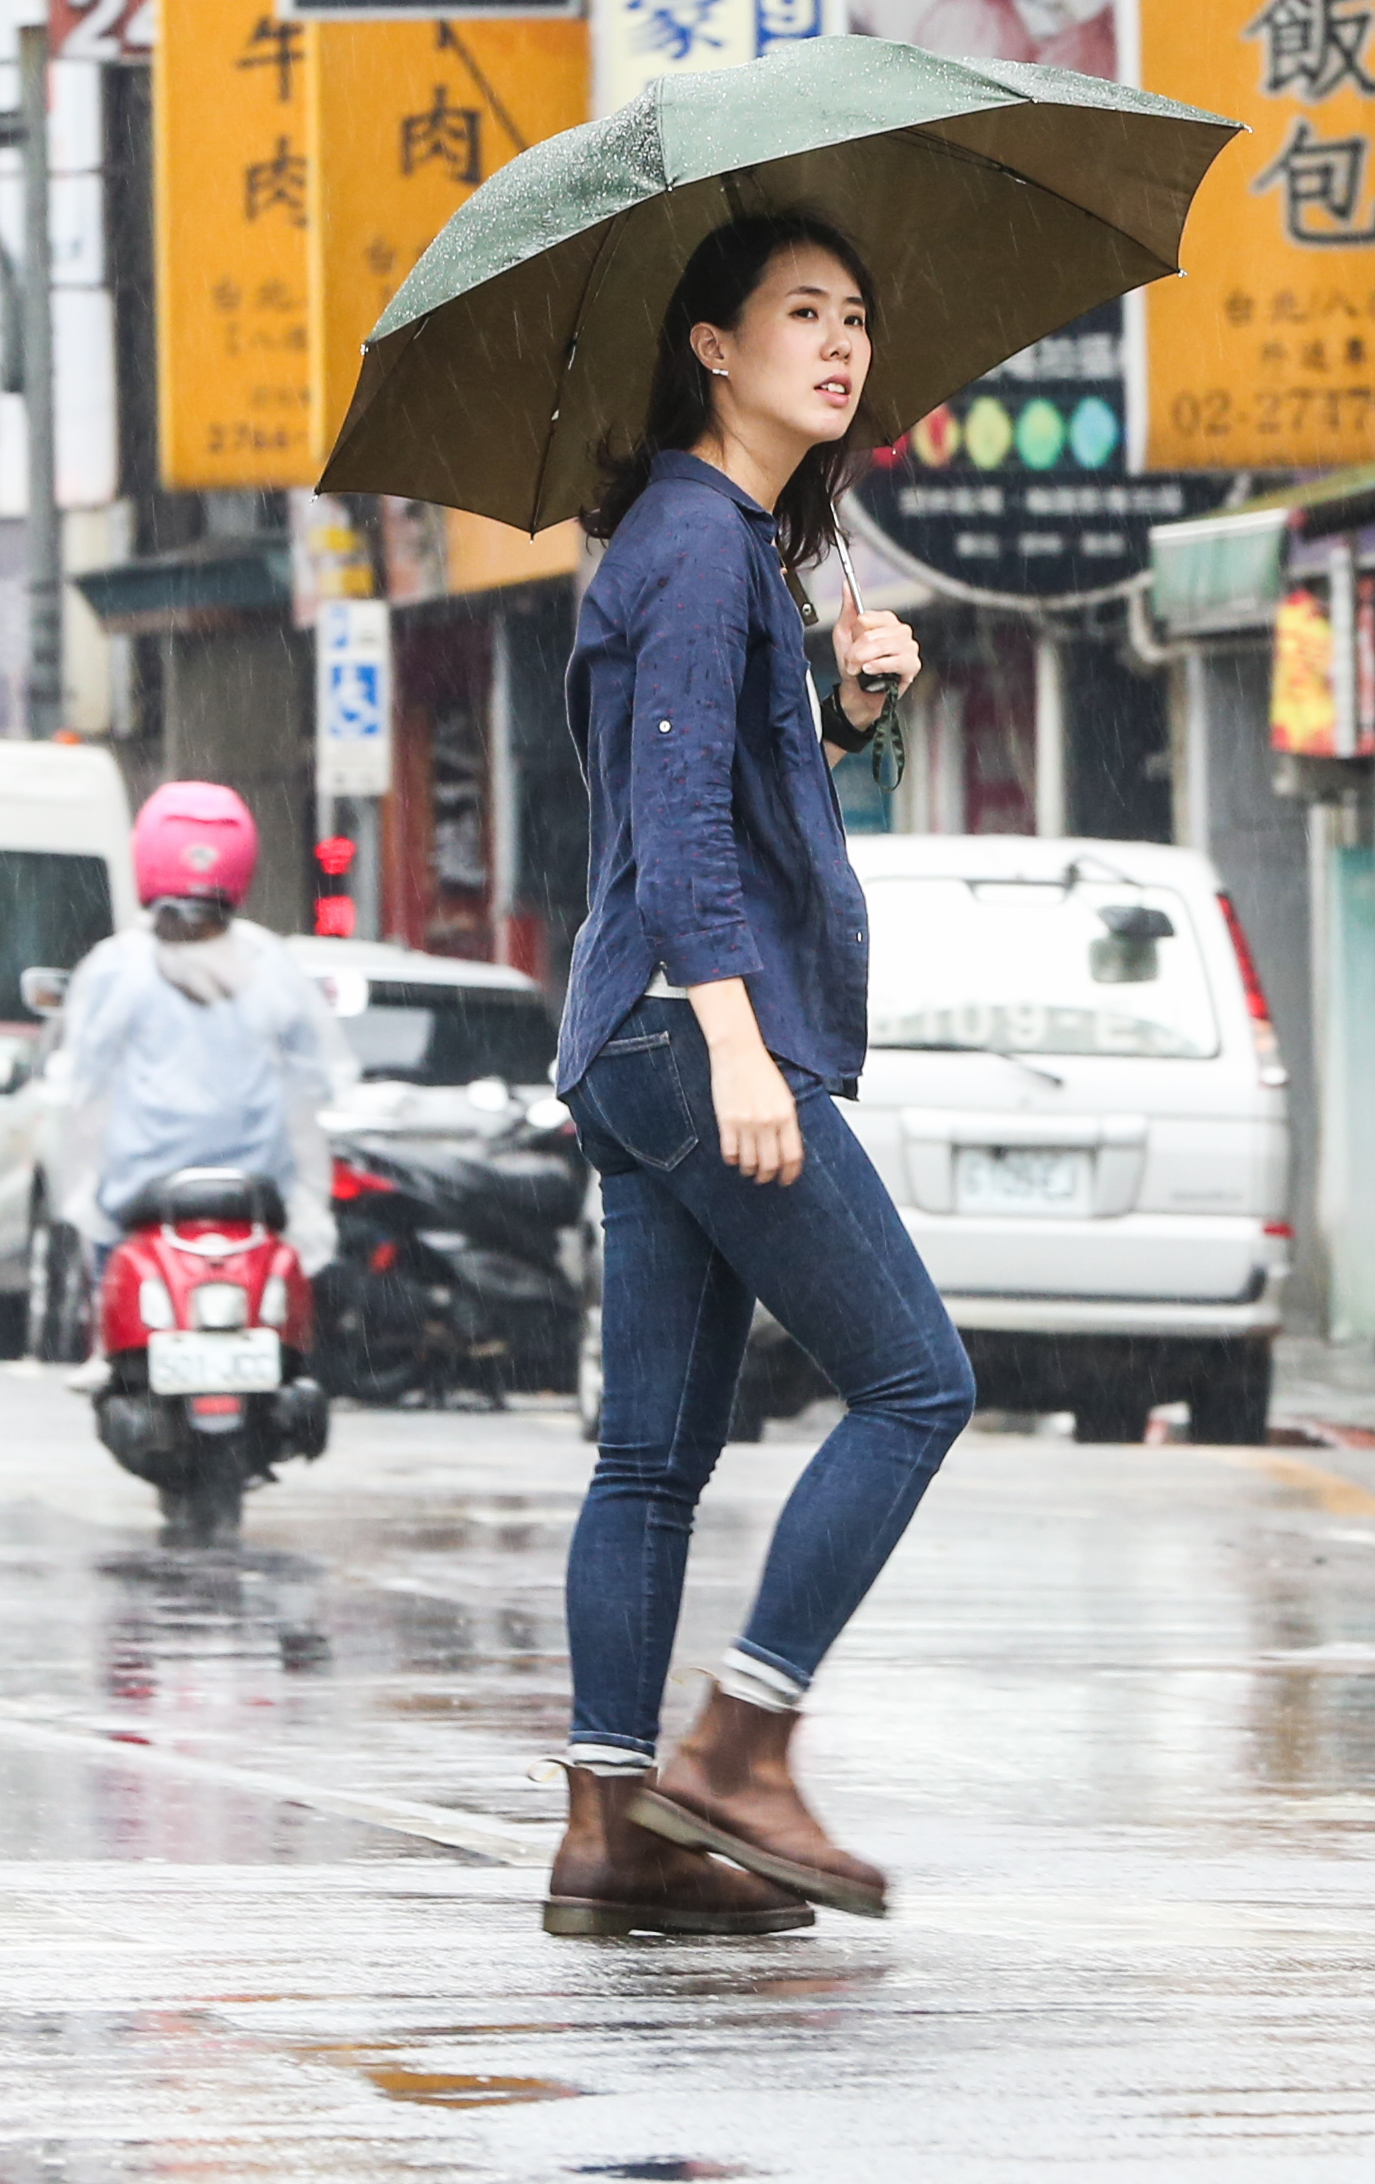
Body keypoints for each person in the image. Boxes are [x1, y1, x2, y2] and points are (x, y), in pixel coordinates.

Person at [547, 209, 961, 1940]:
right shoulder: (703, 541)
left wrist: (844, 715)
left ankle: (608, 1829)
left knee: (651, 1456)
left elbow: (719, 790)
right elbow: (673, 822)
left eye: (855, 315)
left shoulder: (708, 544)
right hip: (690, 1027)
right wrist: (737, 1045)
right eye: (802, 313)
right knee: (916, 1384)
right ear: (712, 347)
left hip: (626, 1031)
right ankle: (740, 1741)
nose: (842, 344)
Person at [53, 783, 341, 1298]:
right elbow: (320, 1080)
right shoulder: (272, 963)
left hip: (138, 1194)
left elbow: (82, 1080)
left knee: (98, 1261)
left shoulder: (116, 967)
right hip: (256, 1193)